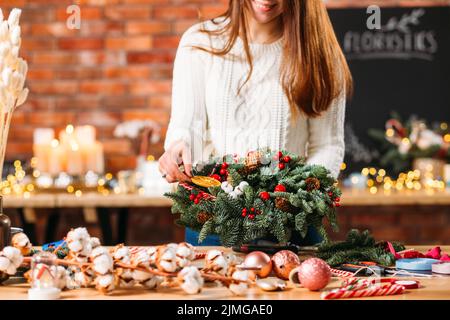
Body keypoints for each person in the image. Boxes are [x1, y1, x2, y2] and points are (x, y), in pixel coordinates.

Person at [159, 0, 352, 246]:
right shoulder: (199, 43)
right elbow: (187, 126)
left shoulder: (318, 53)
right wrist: (179, 147)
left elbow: (328, 145)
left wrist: (292, 200)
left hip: (291, 227)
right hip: (216, 222)